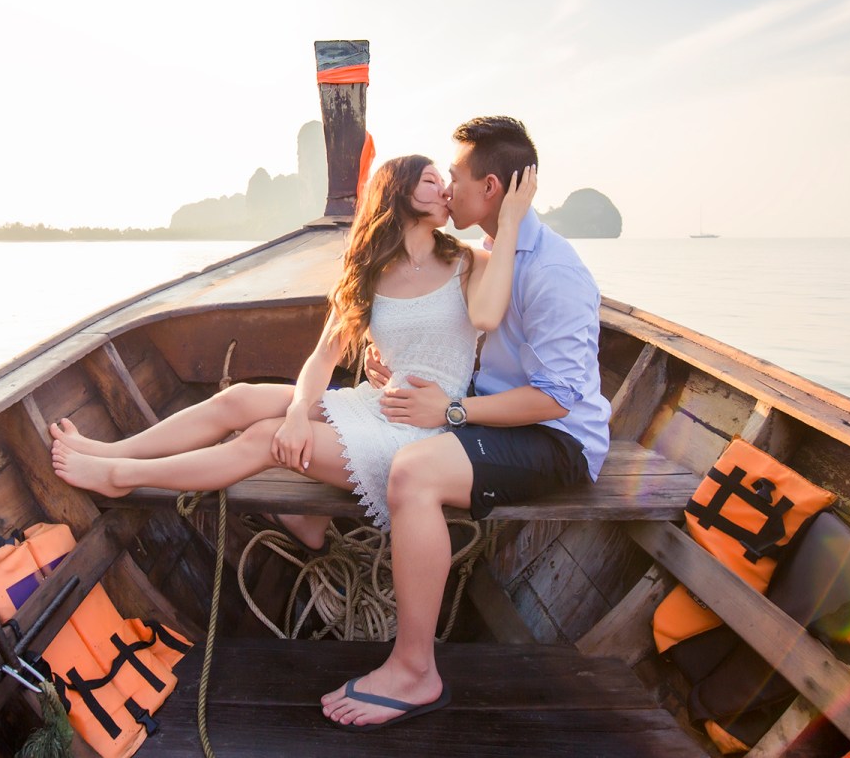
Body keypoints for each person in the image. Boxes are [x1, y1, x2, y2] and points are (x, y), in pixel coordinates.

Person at [48, 153, 535, 555]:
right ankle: (112, 450)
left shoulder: (470, 262)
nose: (446, 191)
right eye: (432, 181)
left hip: (423, 433)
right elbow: (323, 358)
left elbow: (489, 316)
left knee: (263, 439)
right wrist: (300, 412)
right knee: (238, 399)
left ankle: (120, 475)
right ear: (399, 192)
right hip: (375, 404)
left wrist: (508, 223)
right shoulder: (369, 270)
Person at [320, 115, 610, 729]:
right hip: (498, 410)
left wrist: (452, 411)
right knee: (394, 448)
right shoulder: (487, 253)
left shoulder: (553, 272)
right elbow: (448, 322)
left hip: (556, 440)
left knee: (413, 474)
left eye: (455, 177)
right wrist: (387, 362)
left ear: (493, 190)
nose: (447, 189)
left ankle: (415, 669)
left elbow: (558, 399)